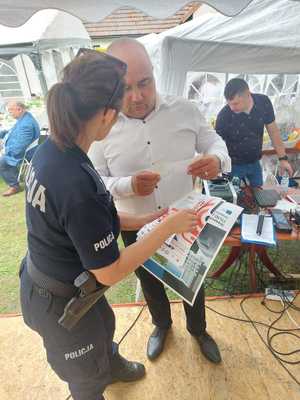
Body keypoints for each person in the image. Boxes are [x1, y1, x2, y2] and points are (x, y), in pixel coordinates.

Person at [19, 50, 198, 400]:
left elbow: (89, 222)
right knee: (86, 380)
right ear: (105, 114)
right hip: (58, 302)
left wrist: (148, 219)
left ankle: (110, 363)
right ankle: (97, 380)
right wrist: (166, 229)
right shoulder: (74, 181)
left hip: (65, 283)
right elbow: (110, 271)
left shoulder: (54, 149)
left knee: (102, 328)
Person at [89, 38, 231, 365]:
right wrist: (127, 185)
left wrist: (217, 160)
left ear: (154, 74)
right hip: (135, 224)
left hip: (185, 219)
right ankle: (161, 325)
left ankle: (198, 330)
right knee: (150, 282)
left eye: (144, 83)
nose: (137, 96)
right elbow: (94, 178)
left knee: (192, 281)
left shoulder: (184, 109)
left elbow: (214, 141)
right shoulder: (101, 125)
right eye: (126, 88)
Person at [215, 78, 293, 187]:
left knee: (258, 196)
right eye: (229, 104)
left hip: (255, 163)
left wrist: (283, 159)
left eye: (236, 103)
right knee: (234, 198)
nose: (232, 108)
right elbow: (216, 145)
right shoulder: (224, 115)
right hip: (232, 166)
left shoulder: (263, 102)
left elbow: (273, 132)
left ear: (248, 94)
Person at [0, 101, 40, 196]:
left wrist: (4, 150)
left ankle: (14, 186)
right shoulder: (23, 118)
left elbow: (19, 148)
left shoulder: (26, 124)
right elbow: (12, 132)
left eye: (11, 110)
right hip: (16, 149)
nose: (9, 113)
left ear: (19, 109)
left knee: (1, 161)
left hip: (25, 153)